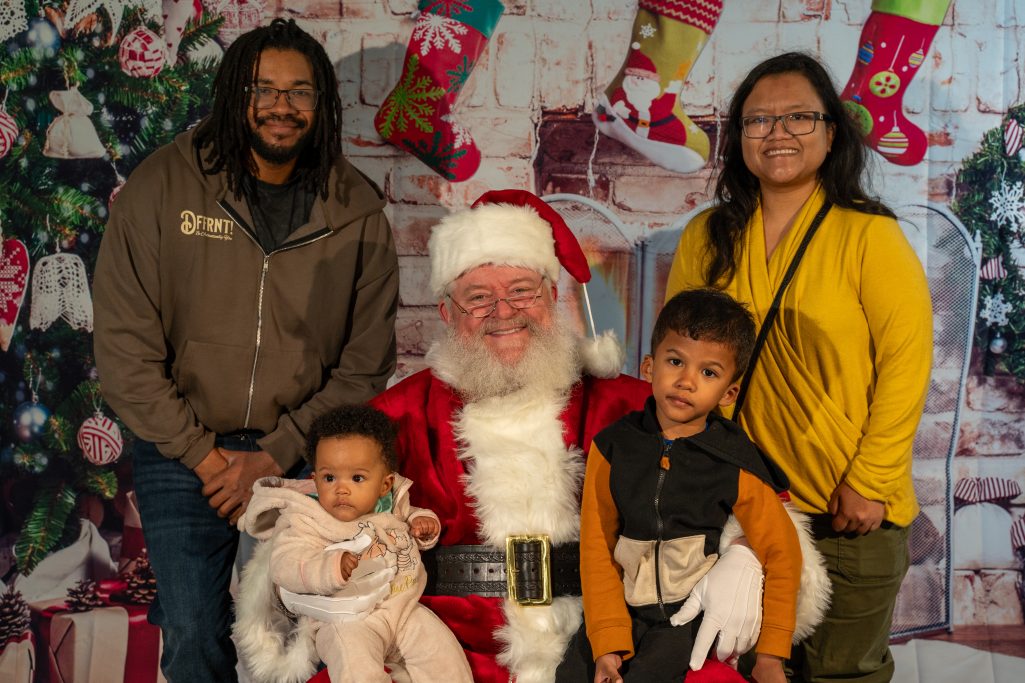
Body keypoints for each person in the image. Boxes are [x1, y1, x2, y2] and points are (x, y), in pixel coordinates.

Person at [93, 18, 399, 682]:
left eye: (299, 91)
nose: (280, 106)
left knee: (294, 637)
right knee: (193, 632)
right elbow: (124, 345)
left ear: (322, 103)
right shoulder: (161, 187)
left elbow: (365, 361)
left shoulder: (355, 210)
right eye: (262, 88)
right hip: (182, 455)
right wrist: (204, 456)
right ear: (235, 94)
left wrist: (277, 451)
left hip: (303, 458)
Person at [370, 189, 773, 683]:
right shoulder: (394, 417)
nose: (503, 311)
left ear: (551, 296)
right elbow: (328, 527)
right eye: (478, 298)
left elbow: (753, 500)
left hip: (614, 635)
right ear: (447, 312)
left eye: (522, 290)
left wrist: (744, 554)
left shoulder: (636, 406)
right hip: (446, 644)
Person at [665, 52, 932, 682]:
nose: (777, 132)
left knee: (844, 674)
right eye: (759, 120)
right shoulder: (707, 236)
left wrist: (872, 479)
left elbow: (906, 363)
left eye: (799, 117)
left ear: (832, 132)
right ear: (739, 138)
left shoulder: (870, 236)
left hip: (848, 510)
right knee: (734, 671)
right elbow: (678, 362)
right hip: (736, 508)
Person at [555, 288, 803, 683]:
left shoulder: (734, 459)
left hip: (688, 615)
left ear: (729, 393)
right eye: (675, 362)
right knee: (570, 675)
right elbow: (597, 548)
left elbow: (782, 552)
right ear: (649, 367)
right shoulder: (612, 447)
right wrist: (607, 643)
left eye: (709, 372)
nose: (687, 381)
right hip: (623, 608)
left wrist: (771, 655)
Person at [235, 404, 473, 683]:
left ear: (385, 485)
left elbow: (411, 521)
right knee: (356, 668)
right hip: (344, 620)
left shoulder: (393, 505)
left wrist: (423, 524)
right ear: (315, 480)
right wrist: (329, 568)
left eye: (357, 478)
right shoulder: (307, 518)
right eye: (329, 478)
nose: (341, 489)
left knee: (442, 655)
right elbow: (285, 565)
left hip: (402, 608)